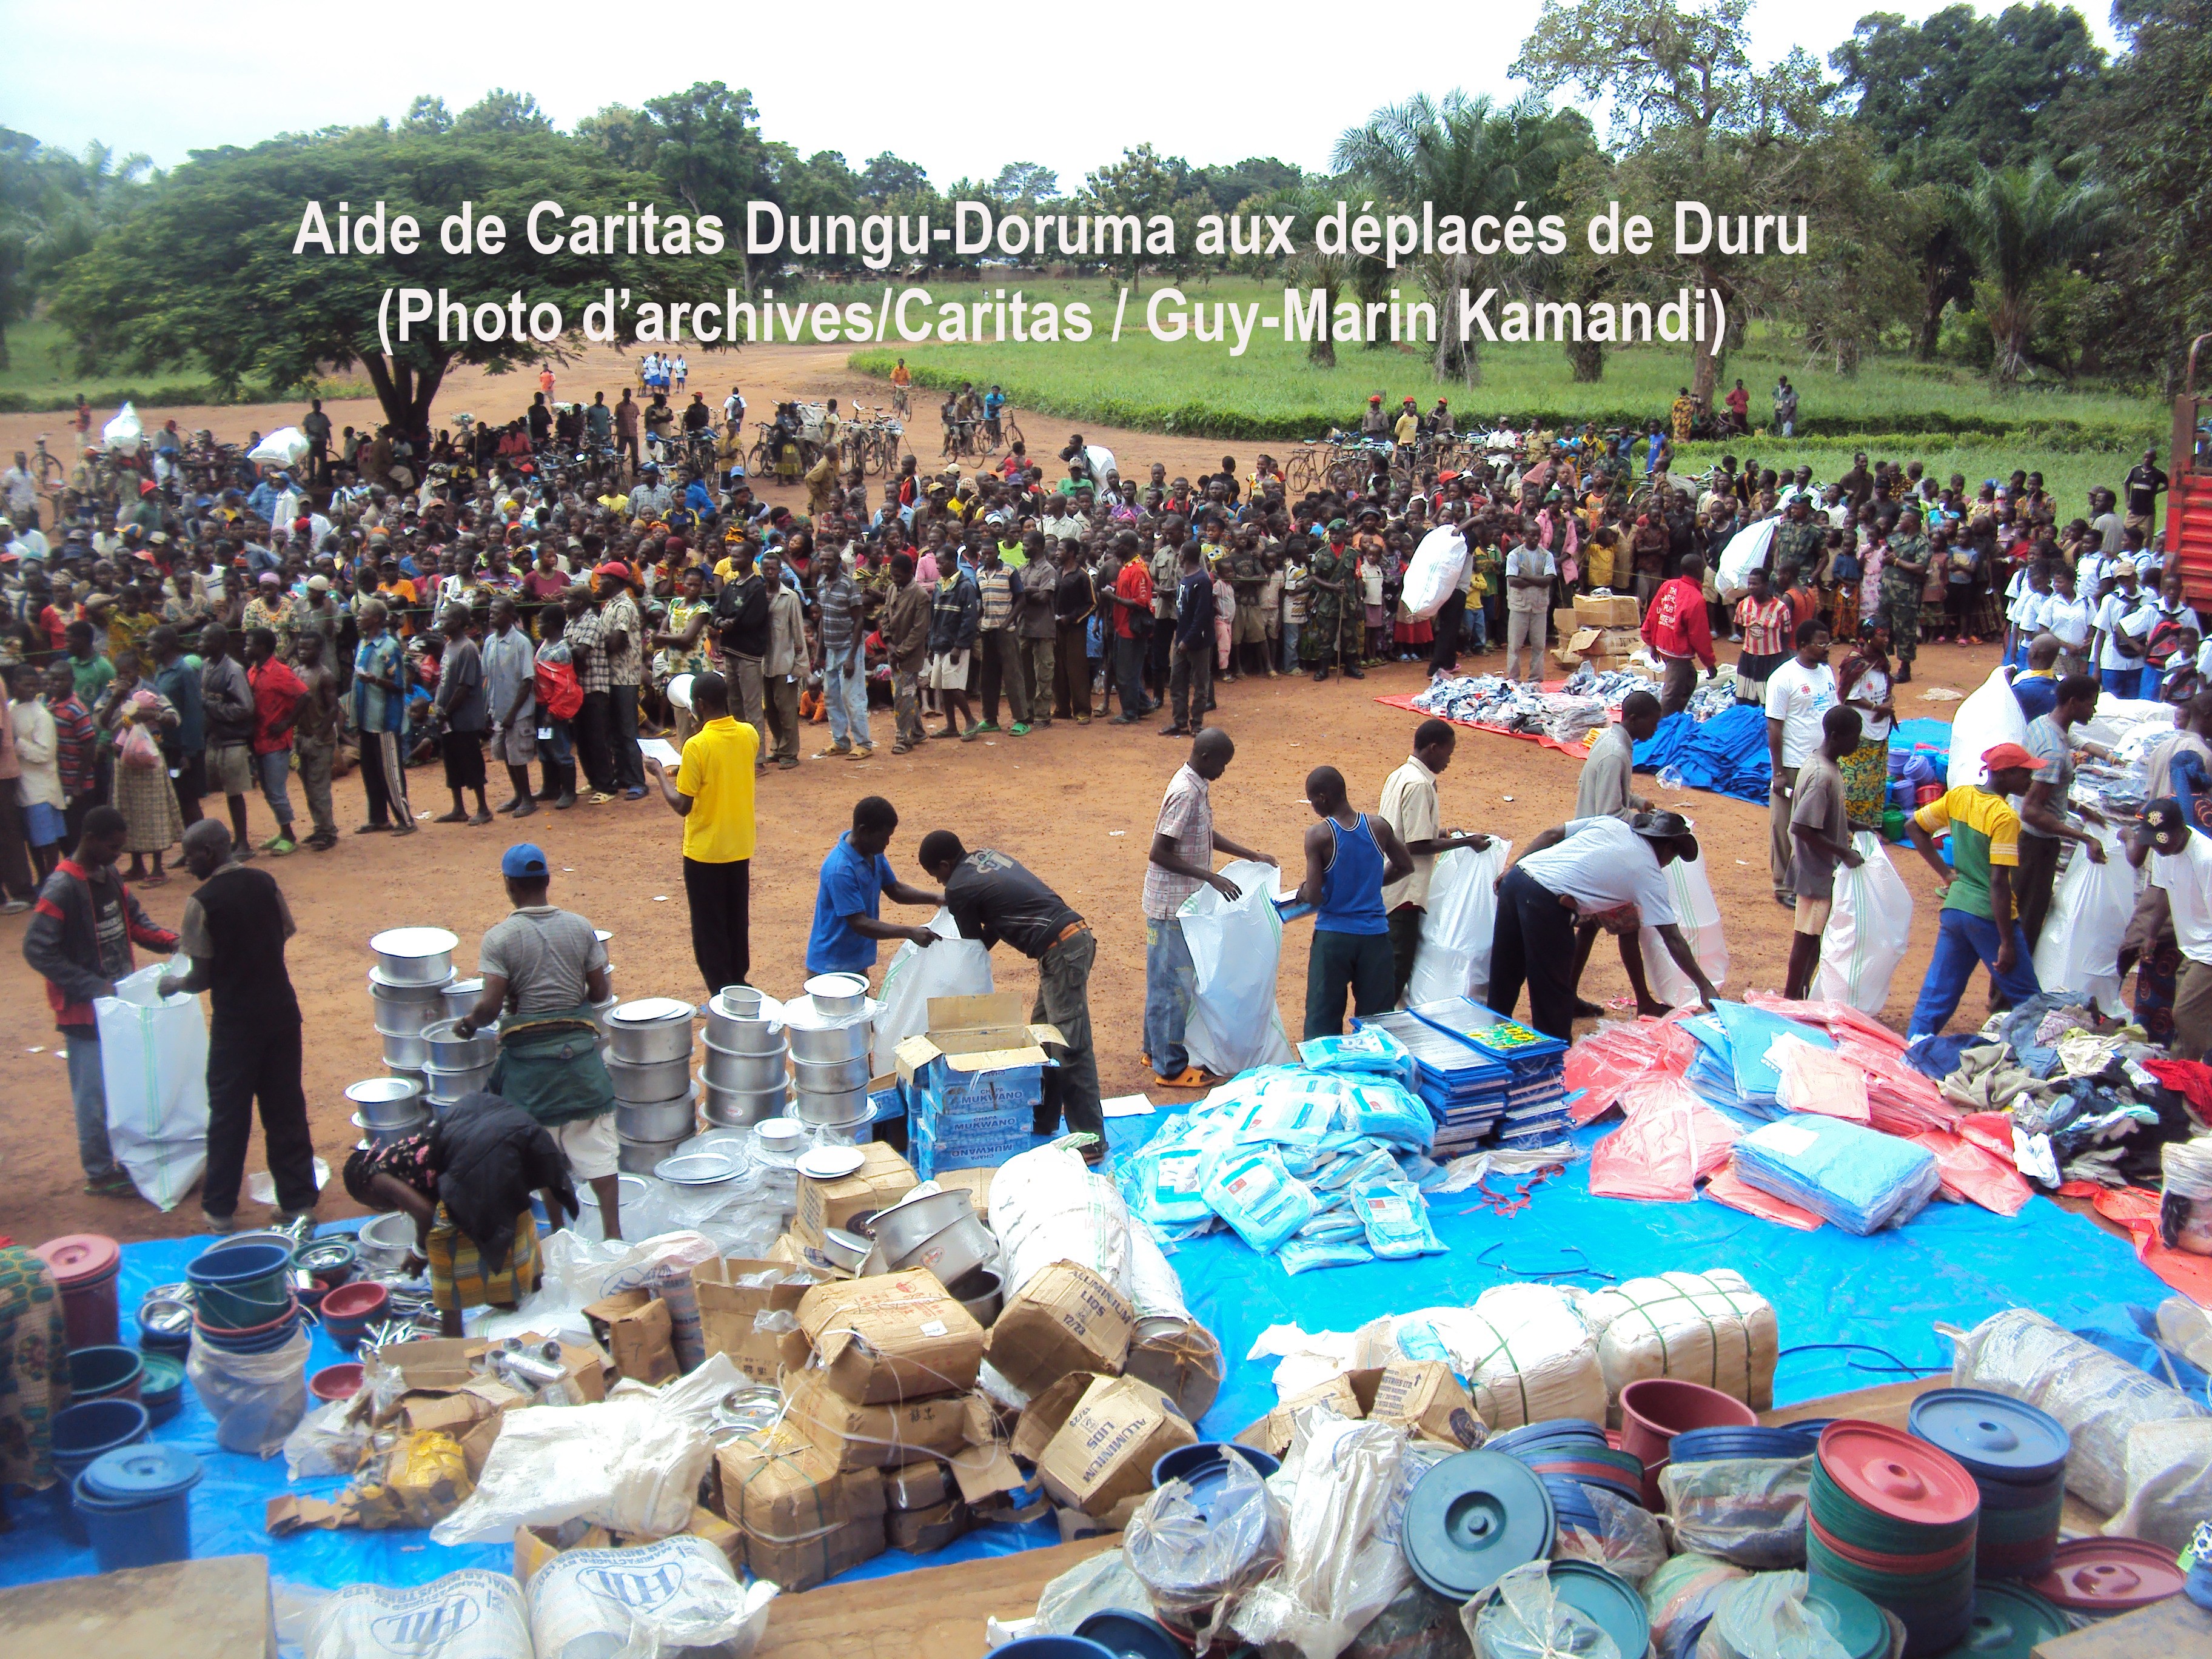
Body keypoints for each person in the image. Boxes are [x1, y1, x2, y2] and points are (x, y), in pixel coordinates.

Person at [154, 820, 318, 1230]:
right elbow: (284, 932)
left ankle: (220, 1208)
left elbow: (200, 979)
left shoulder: (202, 902)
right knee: (285, 1109)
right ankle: (298, 1201)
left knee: (229, 1115)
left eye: (190, 855)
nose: (186, 864)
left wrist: (173, 984)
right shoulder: (265, 882)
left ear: (209, 852)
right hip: (280, 1013)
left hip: (236, 1024)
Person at [455, 843, 622, 1241]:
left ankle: (560, 1233)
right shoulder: (581, 928)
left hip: (530, 1073)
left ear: (510, 886)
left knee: (543, 1154)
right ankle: (613, 1236)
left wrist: (468, 1023)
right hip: (581, 1062)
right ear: (548, 881)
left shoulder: (500, 939)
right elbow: (600, 994)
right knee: (598, 1151)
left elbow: (490, 1007)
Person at [22, 806, 180, 1195]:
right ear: (89, 839)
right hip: (83, 1012)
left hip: (117, 1005)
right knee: (92, 1095)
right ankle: (98, 1171)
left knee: (125, 1087)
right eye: (112, 848)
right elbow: (37, 950)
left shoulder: (108, 876)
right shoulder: (62, 888)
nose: (118, 856)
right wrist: (92, 985)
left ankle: (126, 1159)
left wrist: (174, 942)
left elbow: (136, 923)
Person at [917, 831, 1103, 1160]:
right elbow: (998, 925)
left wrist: (951, 971)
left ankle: (1090, 1142)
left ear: (944, 866)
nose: (939, 881)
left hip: (1061, 952)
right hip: (1066, 943)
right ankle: (1043, 1120)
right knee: (1044, 1032)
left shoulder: (958, 888)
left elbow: (974, 946)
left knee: (1071, 1049)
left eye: (936, 875)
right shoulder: (986, 857)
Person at [342, 1092, 575, 1337]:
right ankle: (524, 1302)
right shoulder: (392, 1156)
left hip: (474, 1171)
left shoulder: (378, 1179)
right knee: (507, 1226)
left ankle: (452, 1338)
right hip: (496, 1155)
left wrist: (419, 1253)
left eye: (368, 1202)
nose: (379, 1207)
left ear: (365, 1188)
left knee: (442, 1252)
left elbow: (425, 1214)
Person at [1487, 811, 1720, 1040]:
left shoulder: (1612, 825)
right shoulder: (1648, 873)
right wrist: (1704, 985)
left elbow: (1552, 834)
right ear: (1669, 848)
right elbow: (1672, 937)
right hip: (1545, 900)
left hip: (1517, 878)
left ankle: (1489, 1043)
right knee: (1552, 991)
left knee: (1505, 972)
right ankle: (1552, 1063)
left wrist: (1512, 868)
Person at [1144, 728, 1278, 1086]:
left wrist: (1249, 854)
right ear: (1206, 758)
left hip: (1180, 901)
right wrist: (1211, 877)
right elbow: (1159, 852)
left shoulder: (1196, 785)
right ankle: (1170, 1068)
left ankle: (1153, 1050)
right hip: (1172, 905)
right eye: (1222, 764)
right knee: (1172, 984)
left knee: (1163, 978)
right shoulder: (1186, 792)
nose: (1223, 771)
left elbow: (1203, 835)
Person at [1904, 744, 2046, 1040]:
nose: (2031, 780)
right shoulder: (2004, 818)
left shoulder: (1960, 796)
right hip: (1988, 916)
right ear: (2005, 775)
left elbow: (1914, 827)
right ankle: (2045, 1059)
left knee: (1939, 991)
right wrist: (2006, 941)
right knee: (2029, 999)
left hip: (1956, 909)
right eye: (2025, 773)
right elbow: (1998, 882)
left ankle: (1914, 1049)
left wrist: (1946, 873)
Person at [643, 672, 759, 995]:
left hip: (705, 851)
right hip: (739, 844)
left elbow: (682, 805)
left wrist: (659, 775)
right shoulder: (749, 734)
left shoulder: (696, 746)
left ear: (701, 705)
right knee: (736, 920)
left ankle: (721, 993)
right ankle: (739, 982)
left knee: (709, 929)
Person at [1569, 691, 1672, 1016]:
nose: (1655, 730)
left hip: (1588, 848)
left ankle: (1566, 994)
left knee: (1587, 928)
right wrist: (1647, 821)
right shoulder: (1617, 753)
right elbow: (1610, 812)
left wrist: (1638, 801)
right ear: (1635, 719)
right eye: (1652, 723)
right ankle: (1643, 1001)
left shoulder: (1610, 743)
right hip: (1603, 853)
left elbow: (1609, 792)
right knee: (1627, 926)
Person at [1293, 765, 1415, 1039]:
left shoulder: (1319, 836)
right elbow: (1405, 865)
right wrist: (1373, 882)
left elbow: (1314, 896)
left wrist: (1301, 892)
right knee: (1376, 1024)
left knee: (1323, 1022)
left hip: (1333, 939)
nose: (1313, 806)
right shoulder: (1378, 827)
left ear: (1323, 798)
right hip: (1375, 938)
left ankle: (1326, 1078)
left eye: (1312, 801)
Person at [1379, 720, 1494, 1003]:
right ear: (1434, 748)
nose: (1449, 760)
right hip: (1405, 890)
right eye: (1448, 752)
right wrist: (1466, 842)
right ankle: (1375, 1028)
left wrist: (1441, 833)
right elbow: (1416, 845)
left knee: (1392, 965)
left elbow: (1400, 828)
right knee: (1397, 967)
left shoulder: (1400, 775)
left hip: (1390, 884)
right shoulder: (1419, 785)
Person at [2013, 674, 2109, 947]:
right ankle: (2010, 990)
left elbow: (2039, 791)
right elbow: (2032, 811)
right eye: (2092, 704)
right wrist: (2085, 838)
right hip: (2035, 846)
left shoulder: (2039, 726)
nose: (2094, 711)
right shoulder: (2054, 750)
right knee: (2027, 920)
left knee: (2020, 913)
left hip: (2023, 838)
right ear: (2073, 702)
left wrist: (2078, 808)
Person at [806, 795, 942, 977]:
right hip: (830, 967)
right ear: (864, 831)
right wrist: (910, 932)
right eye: (883, 838)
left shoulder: (873, 853)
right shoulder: (840, 869)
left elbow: (894, 889)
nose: (887, 843)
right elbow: (859, 923)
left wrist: (936, 898)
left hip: (854, 960)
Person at [1783, 706, 1866, 999]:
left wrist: (1851, 824)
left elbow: (1823, 816)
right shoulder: (1821, 776)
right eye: (1854, 737)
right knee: (1806, 938)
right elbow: (1803, 827)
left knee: (1814, 939)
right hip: (1816, 870)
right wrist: (1843, 852)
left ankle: (1801, 994)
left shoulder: (1824, 764)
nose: (1858, 742)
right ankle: (1792, 998)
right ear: (1835, 736)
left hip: (1818, 867)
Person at [1765, 620, 1838, 908]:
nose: (1826, 648)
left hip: (1823, 762)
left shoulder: (1827, 672)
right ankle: (1784, 885)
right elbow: (1774, 727)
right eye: (1821, 643)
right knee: (1785, 826)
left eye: (1828, 642)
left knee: (1819, 824)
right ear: (1803, 644)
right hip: (1795, 765)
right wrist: (1779, 772)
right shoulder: (1782, 678)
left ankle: (1813, 881)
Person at [352, 600, 415, 834]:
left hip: (385, 719)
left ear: (376, 619)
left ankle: (405, 819)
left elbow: (399, 684)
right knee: (370, 771)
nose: (358, 618)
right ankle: (378, 818)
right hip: (366, 719)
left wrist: (375, 680)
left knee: (390, 771)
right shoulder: (363, 643)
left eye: (363, 614)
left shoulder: (389, 647)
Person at [242, 627, 303, 856]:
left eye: (249, 644)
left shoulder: (280, 671)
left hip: (276, 742)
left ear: (263, 647)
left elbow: (304, 695)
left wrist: (288, 723)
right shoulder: (253, 672)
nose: (245, 648)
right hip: (259, 740)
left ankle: (289, 835)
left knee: (276, 791)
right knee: (268, 791)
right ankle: (282, 830)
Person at [200, 622, 258, 857]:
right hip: (215, 738)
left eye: (206, 640)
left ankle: (243, 842)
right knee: (223, 792)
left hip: (233, 740)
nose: (200, 644)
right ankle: (237, 841)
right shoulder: (206, 666)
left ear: (221, 644)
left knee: (235, 793)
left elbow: (245, 708)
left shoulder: (233, 670)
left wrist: (214, 709)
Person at [483, 596, 538, 819]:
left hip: (519, 711)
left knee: (518, 756)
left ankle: (527, 798)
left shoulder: (521, 643)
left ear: (509, 616)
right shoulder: (490, 642)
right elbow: (488, 678)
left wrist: (512, 713)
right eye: (490, 612)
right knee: (505, 754)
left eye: (496, 613)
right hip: (499, 710)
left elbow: (527, 681)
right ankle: (518, 795)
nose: (491, 616)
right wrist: (490, 709)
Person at [1641, 554, 1716, 716]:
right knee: (1671, 693)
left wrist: (1652, 642)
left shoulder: (1669, 585)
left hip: (1663, 643)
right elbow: (1700, 636)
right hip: (1677, 651)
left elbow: (1654, 613)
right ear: (1698, 571)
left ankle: (1677, 713)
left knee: (1689, 678)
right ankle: (1661, 725)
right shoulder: (1697, 599)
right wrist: (1709, 664)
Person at [1161, 544, 1215, 737]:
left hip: (1197, 641)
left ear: (1184, 556)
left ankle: (1197, 723)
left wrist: (1187, 640)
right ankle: (1180, 722)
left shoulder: (1202, 581)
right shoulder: (1185, 579)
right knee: (1177, 681)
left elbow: (1202, 615)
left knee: (1200, 682)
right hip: (1182, 638)